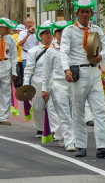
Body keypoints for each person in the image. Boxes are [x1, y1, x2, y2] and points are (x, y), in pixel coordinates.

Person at [61, 0, 105, 158]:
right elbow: (64, 51)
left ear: (91, 14)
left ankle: (103, 147)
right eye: (81, 12)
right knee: (78, 112)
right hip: (78, 74)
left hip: (95, 74)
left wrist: (101, 56)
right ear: (77, 14)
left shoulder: (96, 29)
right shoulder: (69, 31)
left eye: (87, 12)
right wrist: (66, 69)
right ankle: (81, 145)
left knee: (99, 111)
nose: (84, 15)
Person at [41, 20, 75, 152]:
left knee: (74, 113)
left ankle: (63, 135)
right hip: (58, 84)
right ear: (55, 35)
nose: (61, 35)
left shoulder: (74, 49)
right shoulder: (51, 51)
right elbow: (46, 72)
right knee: (64, 113)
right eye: (59, 33)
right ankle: (70, 141)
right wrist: (45, 89)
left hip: (73, 84)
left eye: (63, 32)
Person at [23, 20, 60, 138]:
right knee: (38, 106)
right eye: (46, 33)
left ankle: (55, 130)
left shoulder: (57, 49)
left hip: (54, 80)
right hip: (38, 81)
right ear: (40, 35)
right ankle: (40, 128)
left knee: (54, 106)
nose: (48, 36)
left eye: (50, 33)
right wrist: (25, 84)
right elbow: (29, 69)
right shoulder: (33, 51)